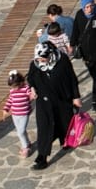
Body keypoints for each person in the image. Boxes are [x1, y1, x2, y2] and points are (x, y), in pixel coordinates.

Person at [24, 42, 82, 170]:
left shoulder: (62, 60)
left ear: (50, 54)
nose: (41, 61)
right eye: (39, 59)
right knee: (44, 128)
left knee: (64, 122)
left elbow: (72, 78)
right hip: (44, 102)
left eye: (43, 58)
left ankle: (66, 141)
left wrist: (76, 96)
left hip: (62, 99)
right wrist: (32, 88)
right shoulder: (35, 64)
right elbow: (31, 78)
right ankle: (42, 158)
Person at [2, 70, 34, 159]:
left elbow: (30, 94)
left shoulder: (25, 88)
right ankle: (27, 142)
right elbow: (10, 100)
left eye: (15, 86)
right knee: (21, 131)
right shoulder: (12, 91)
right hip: (15, 114)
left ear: (20, 82)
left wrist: (32, 95)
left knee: (20, 132)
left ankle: (25, 147)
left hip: (24, 114)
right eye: (12, 86)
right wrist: (5, 109)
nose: (14, 88)